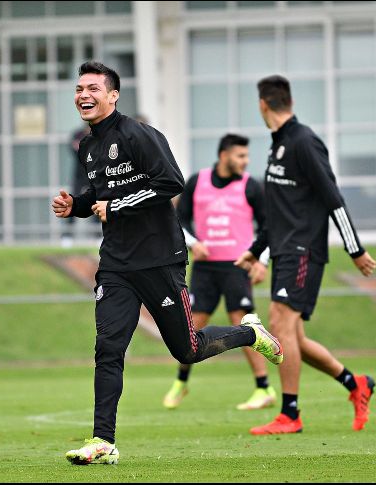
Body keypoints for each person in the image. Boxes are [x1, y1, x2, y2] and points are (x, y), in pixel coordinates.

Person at [51, 61, 284, 466]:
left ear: (113, 95)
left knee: (187, 350)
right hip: (116, 265)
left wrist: (116, 205)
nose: (82, 95)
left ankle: (250, 334)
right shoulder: (88, 147)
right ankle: (102, 440)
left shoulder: (140, 135)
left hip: (160, 260)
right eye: (78, 89)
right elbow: (101, 197)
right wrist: (77, 206)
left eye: (92, 88)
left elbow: (170, 182)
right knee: (108, 348)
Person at [235, 74, 376, 435]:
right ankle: (355, 383)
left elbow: (333, 198)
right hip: (283, 251)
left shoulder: (304, 142)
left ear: (262, 105)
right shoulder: (277, 145)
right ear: (290, 102)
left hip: (303, 252)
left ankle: (291, 415)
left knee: (280, 326)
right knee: (293, 339)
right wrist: (255, 251)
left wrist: (355, 249)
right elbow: (276, 212)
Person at [163, 134, 276, 411]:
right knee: (192, 327)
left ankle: (264, 388)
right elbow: (178, 219)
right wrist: (193, 243)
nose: (245, 161)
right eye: (240, 156)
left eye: (246, 156)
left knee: (244, 323)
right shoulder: (197, 182)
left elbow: (269, 226)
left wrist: (261, 260)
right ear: (224, 155)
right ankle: (181, 382)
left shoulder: (251, 186)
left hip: (238, 267)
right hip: (204, 269)